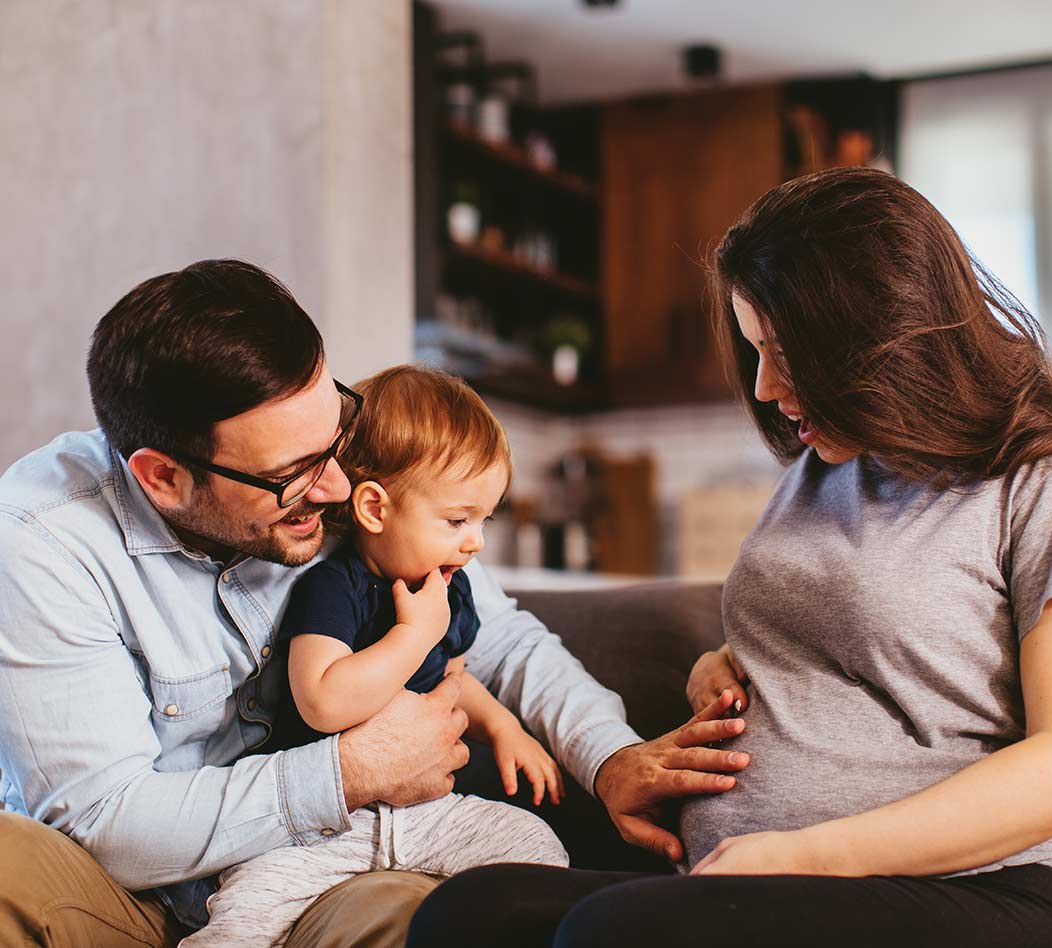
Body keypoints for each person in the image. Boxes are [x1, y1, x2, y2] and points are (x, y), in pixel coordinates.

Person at [404, 167, 1052, 948]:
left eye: (785, 352)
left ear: (880, 336)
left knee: (614, 933)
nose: (768, 387)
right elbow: (877, 642)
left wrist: (806, 857)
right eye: (757, 352)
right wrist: (724, 664)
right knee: (466, 914)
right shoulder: (829, 465)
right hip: (739, 885)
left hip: (965, 897)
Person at [0, 260, 748, 947]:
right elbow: (107, 821)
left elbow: (505, 645)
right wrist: (348, 771)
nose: (334, 490)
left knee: (426, 912)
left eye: (337, 436)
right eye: (293, 475)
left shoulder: (340, 473)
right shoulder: (44, 541)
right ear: (163, 477)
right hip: (127, 891)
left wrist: (608, 757)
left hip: (323, 865)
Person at [183, 365, 570, 947]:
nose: (477, 542)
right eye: (458, 520)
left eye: (485, 520)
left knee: (539, 851)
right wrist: (412, 635)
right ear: (374, 509)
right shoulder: (332, 588)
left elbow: (451, 681)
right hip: (317, 830)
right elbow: (321, 700)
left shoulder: (448, 589)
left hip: (427, 815)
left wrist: (505, 727)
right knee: (242, 919)